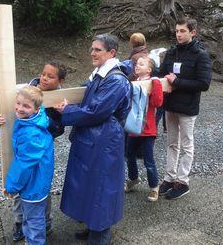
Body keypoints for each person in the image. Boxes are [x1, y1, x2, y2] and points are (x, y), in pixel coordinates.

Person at [54, 33, 131, 245]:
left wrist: (67, 111)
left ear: (112, 52)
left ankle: (100, 236)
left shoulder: (115, 80)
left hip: (105, 140)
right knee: (90, 185)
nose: (92, 53)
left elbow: (96, 111)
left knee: (102, 188)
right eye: (92, 49)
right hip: (95, 136)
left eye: (97, 49)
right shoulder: (100, 74)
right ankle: (92, 227)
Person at [11, 60, 67, 241]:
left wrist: (59, 114)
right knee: (22, 192)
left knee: (38, 193)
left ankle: (44, 224)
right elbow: (15, 118)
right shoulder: (30, 90)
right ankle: (20, 224)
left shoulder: (59, 98)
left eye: (50, 76)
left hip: (38, 149)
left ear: (60, 80)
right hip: (25, 145)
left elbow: (58, 129)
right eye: (44, 73)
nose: (44, 78)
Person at [0, 86, 54, 245]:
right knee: (33, 217)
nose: (19, 108)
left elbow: (24, 164)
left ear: (36, 108)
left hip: (33, 183)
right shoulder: (29, 120)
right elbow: (13, 137)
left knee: (33, 221)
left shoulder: (32, 133)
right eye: (18, 103)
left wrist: (11, 186)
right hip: (35, 181)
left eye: (26, 106)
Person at [158, 17, 212, 200]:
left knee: (187, 145)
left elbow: (204, 84)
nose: (179, 34)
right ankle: (169, 178)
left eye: (182, 31)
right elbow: (161, 74)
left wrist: (177, 82)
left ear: (192, 32)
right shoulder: (171, 52)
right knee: (172, 143)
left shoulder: (201, 54)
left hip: (188, 107)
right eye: (177, 31)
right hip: (170, 105)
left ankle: (183, 181)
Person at [124, 56, 163, 202]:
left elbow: (157, 103)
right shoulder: (133, 82)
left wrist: (157, 83)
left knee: (149, 160)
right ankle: (133, 179)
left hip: (148, 129)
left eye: (141, 64)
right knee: (129, 156)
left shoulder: (153, 82)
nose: (137, 66)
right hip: (133, 128)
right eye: (136, 64)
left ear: (149, 69)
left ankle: (154, 187)